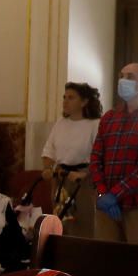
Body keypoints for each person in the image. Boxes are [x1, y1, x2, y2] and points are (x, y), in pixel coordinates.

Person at [90, 63, 138, 276]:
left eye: (130, 76)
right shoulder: (110, 117)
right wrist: (103, 192)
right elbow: (96, 157)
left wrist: (116, 193)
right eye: (121, 76)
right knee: (112, 265)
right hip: (107, 206)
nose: (123, 80)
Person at [42, 82, 102, 235]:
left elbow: (100, 156)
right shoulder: (60, 124)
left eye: (71, 97)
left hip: (82, 180)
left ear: (84, 101)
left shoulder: (94, 125)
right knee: (60, 223)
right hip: (61, 179)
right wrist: (49, 169)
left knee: (83, 224)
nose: (65, 101)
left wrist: (85, 174)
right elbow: (49, 151)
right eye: (64, 97)